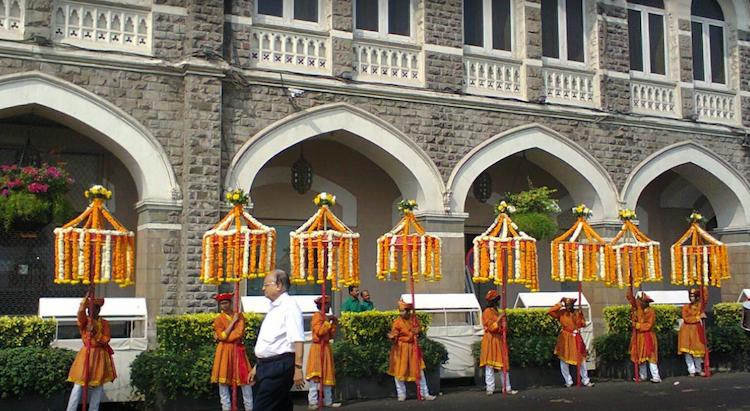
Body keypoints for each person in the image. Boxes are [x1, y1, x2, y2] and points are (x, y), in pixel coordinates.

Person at [250, 269, 305, 411]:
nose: (263, 288)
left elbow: (298, 339)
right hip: (266, 365)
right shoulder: (274, 308)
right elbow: (271, 342)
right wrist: (257, 366)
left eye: (266, 284)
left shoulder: (289, 306)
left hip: (279, 366)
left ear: (279, 285)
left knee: (262, 406)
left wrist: (298, 368)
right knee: (280, 406)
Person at [66, 295, 116, 411]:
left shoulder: (104, 323)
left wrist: (95, 333)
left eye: (93, 308)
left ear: (99, 310)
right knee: (78, 385)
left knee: (97, 386)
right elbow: (80, 314)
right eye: (89, 308)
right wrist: (85, 300)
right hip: (86, 355)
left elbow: (106, 339)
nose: (90, 311)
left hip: (99, 356)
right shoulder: (85, 321)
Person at [387, 299, 436, 401]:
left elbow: (419, 330)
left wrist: (416, 331)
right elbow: (394, 333)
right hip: (401, 349)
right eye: (400, 311)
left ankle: (425, 393)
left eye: (403, 311)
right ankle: (401, 394)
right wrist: (392, 337)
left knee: (419, 371)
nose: (401, 313)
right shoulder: (397, 322)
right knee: (399, 372)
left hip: (413, 348)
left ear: (408, 311)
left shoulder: (413, 320)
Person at [211, 292, 253, 411]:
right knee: (223, 382)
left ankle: (249, 407)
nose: (224, 305)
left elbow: (238, 333)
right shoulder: (219, 319)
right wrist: (232, 323)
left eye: (226, 302)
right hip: (224, 351)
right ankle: (226, 408)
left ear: (230, 303)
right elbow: (222, 336)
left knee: (245, 379)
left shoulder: (239, 316)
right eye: (222, 303)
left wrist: (225, 335)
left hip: (238, 350)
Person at [548, 297, 594, 388]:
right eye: (567, 305)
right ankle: (568, 381)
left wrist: (580, 315)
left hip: (575, 337)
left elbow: (582, 324)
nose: (568, 307)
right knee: (564, 360)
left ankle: (585, 380)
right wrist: (559, 304)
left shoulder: (577, 312)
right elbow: (550, 312)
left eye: (570, 305)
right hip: (565, 338)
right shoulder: (561, 313)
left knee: (581, 359)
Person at [306, 296, 342, 409]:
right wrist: (327, 322)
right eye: (327, 304)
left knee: (327, 374)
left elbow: (330, 335)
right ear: (322, 305)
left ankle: (328, 401)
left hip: (326, 347)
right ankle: (312, 401)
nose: (329, 306)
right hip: (317, 348)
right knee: (315, 375)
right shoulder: (317, 316)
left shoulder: (325, 317)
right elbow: (319, 331)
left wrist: (333, 323)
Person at [480, 290, 517, 395]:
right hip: (490, 340)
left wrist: (503, 326)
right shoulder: (487, 312)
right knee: (489, 366)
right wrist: (500, 319)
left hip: (498, 340)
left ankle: (507, 387)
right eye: (497, 300)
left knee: (503, 365)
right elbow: (491, 327)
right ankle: (490, 388)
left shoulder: (496, 311)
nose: (498, 302)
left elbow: (500, 327)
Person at [627, 289, 661, 383]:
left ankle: (656, 376)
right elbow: (630, 298)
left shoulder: (650, 311)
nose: (640, 303)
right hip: (639, 337)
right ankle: (642, 376)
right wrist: (629, 285)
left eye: (641, 301)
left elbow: (649, 325)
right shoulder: (637, 309)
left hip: (648, 336)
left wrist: (637, 325)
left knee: (651, 357)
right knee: (640, 357)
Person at [678, 287, 708, 376]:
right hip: (686, 331)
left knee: (697, 352)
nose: (691, 298)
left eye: (693, 296)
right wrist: (697, 318)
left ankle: (698, 369)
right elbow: (686, 318)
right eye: (690, 296)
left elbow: (705, 298)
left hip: (696, 331)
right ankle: (691, 371)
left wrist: (703, 287)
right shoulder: (685, 307)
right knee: (687, 352)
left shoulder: (700, 306)